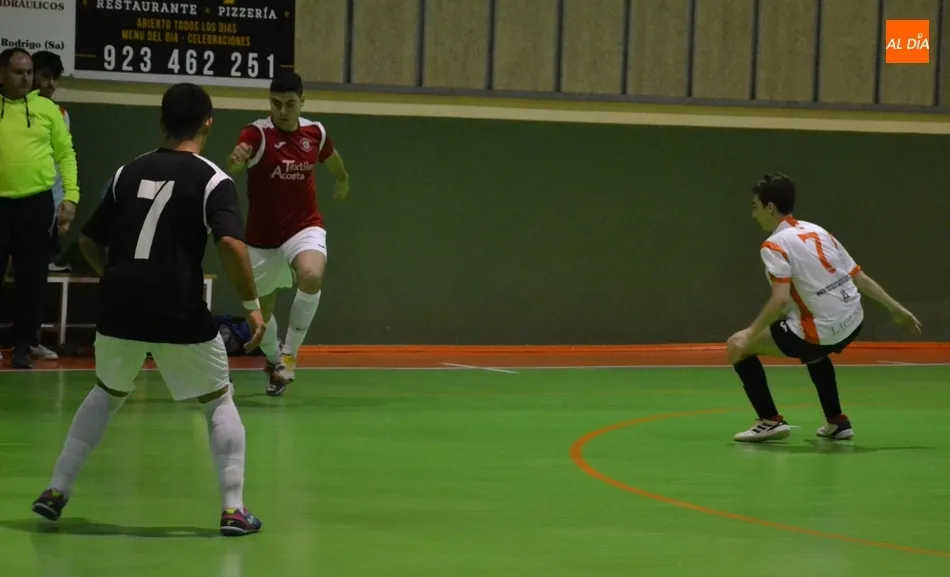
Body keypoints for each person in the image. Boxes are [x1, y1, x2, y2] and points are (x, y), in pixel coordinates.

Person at [30, 83, 267, 537]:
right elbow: (232, 245)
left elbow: (88, 241)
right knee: (217, 400)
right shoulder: (214, 179)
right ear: (208, 123)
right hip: (179, 311)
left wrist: (119, 279)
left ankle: (56, 490)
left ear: (162, 122)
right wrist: (252, 307)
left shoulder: (128, 172)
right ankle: (233, 510)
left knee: (106, 393)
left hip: (119, 309)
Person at [726, 173, 922, 443]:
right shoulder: (818, 230)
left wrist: (750, 333)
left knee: (737, 346)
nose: (754, 214)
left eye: (755, 207)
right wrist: (896, 309)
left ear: (770, 208)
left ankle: (769, 421)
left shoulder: (774, 245)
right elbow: (860, 277)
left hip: (821, 331)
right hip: (854, 320)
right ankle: (837, 421)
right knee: (813, 347)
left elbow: (780, 300)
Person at [226, 70, 350, 397]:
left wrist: (343, 178)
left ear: (302, 101)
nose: (282, 111)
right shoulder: (257, 133)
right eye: (276, 103)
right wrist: (237, 159)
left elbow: (332, 159)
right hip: (262, 239)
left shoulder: (315, 133)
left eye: (289, 104)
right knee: (262, 316)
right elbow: (237, 159)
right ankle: (273, 361)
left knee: (311, 274)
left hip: (303, 227)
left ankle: (289, 356)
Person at [0, 47, 78, 369]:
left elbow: (66, 154)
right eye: (18, 72)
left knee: (32, 279)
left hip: (36, 203)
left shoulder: (47, 109)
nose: (25, 78)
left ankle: (24, 346)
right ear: (2, 74)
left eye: (29, 72)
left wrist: (70, 197)